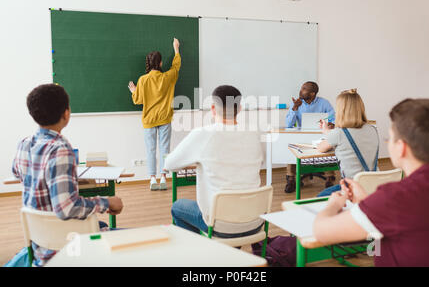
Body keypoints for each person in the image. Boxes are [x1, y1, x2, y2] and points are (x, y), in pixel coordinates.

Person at [313, 98, 429, 267]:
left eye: (390, 138)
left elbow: (321, 230)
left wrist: (333, 204)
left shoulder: (394, 198)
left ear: (401, 148)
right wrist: (367, 203)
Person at [12, 84, 124, 266]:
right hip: (65, 253)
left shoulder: (24, 144)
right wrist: (107, 202)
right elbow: (66, 208)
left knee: (100, 225)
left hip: (40, 246)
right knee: (129, 235)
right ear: (66, 113)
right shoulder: (61, 149)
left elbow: (17, 171)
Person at [164, 85, 265, 238]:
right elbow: (260, 161)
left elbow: (169, 164)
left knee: (178, 207)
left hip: (220, 225)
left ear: (212, 108)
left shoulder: (202, 134)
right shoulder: (255, 133)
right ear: (239, 109)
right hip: (255, 222)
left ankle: (204, 250)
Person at [128, 38, 181, 191]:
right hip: (165, 118)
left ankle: (152, 179)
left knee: (150, 149)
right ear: (161, 63)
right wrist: (176, 49)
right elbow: (176, 67)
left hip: (149, 120)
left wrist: (133, 91)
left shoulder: (143, 80)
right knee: (165, 149)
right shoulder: (167, 77)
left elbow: (137, 100)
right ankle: (164, 177)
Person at [316, 89, 379, 197]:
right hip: (374, 185)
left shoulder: (339, 133)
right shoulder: (373, 129)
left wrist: (325, 132)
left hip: (352, 186)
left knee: (319, 198)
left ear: (341, 110)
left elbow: (321, 148)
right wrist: (327, 132)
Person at [285, 81, 336, 193]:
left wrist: (332, 123)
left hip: (319, 136)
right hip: (301, 137)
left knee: (329, 146)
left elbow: (334, 118)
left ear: (312, 93)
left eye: (304, 89)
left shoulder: (324, 103)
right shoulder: (297, 103)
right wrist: (295, 108)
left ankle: (329, 178)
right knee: (292, 147)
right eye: (301, 88)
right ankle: (291, 178)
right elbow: (288, 125)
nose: (300, 90)